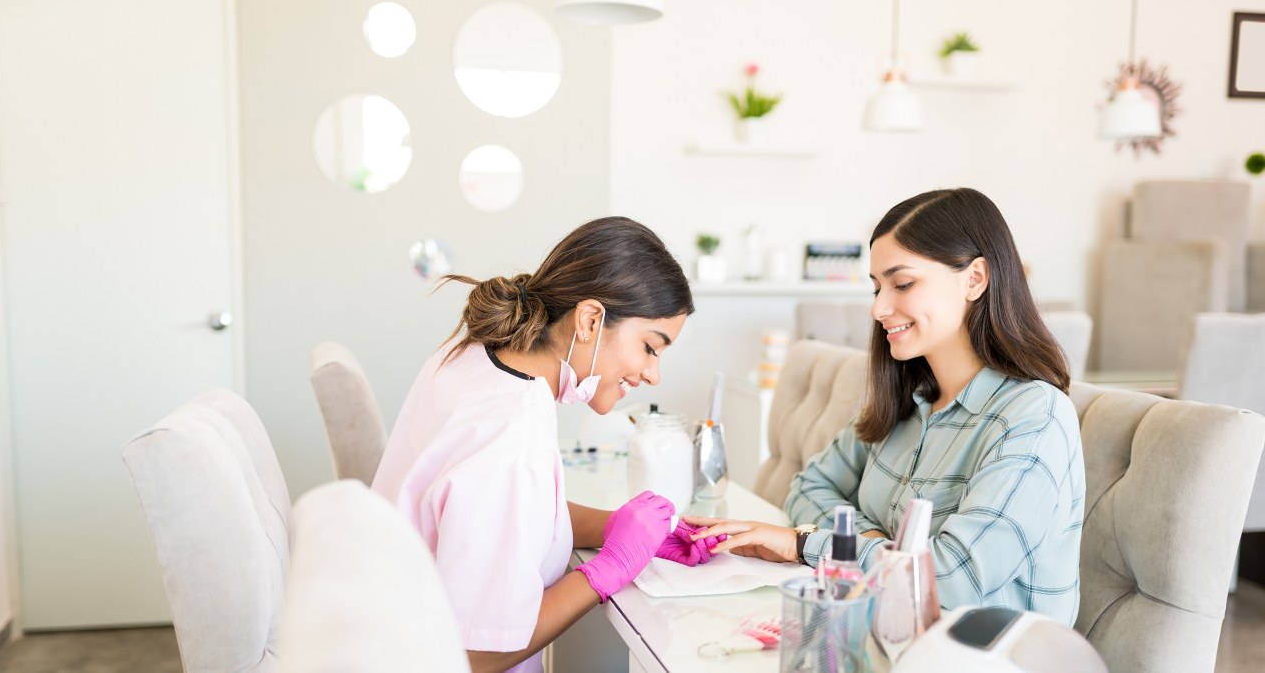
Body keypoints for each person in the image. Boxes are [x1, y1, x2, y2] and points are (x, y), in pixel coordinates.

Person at [686, 188, 1085, 625]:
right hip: (886, 634)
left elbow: (951, 579)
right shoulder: (907, 400)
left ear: (975, 278)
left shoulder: (1033, 417)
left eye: (903, 284)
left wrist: (806, 545)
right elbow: (808, 487)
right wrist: (875, 543)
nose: (879, 307)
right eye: (877, 287)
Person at [371, 217, 721, 673]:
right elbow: (481, 653)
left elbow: (508, 513)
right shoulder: (509, 437)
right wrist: (608, 570)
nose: (654, 375)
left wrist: (618, 528)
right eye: (651, 348)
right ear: (591, 320)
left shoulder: (478, 357)